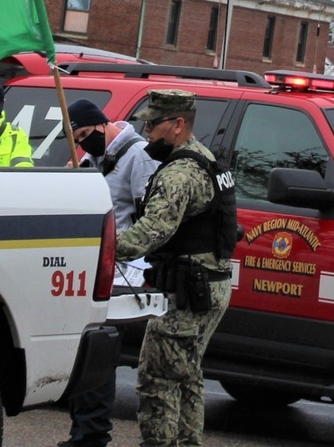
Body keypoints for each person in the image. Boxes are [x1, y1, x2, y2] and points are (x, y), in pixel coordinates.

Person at [116, 89, 238, 447]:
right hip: (209, 288)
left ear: (177, 125)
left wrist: (105, 248)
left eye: (153, 125)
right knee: (187, 376)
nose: (148, 133)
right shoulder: (206, 159)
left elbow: (153, 230)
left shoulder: (179, 174)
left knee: (158, 379)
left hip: (186, 294)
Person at [59, 98, 159, 447]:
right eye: (78, 138)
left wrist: (126, 252)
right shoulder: (92, 156)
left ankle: (92, 434)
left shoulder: (139, 156)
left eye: (87, 134)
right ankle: (82, 431)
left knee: (98, 356)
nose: (85, 142)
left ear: (102, 124)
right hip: (93, 269)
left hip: (123, 274)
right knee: (84, 354)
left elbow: (150, 218)